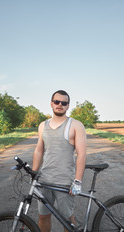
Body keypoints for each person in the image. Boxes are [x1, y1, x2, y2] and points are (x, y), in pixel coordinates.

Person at [32, 90, 87, 232]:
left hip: (64, 182)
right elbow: (39, 150)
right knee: (43, 216)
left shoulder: (76, 125)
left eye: (64, 103)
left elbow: (81, 154)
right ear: (51, 104)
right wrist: (33, 172)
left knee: (67, 220)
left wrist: (78, 181)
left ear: (68, 106)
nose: (60, 105)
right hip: (45, 180)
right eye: (57, 102)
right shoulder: (43, 125)